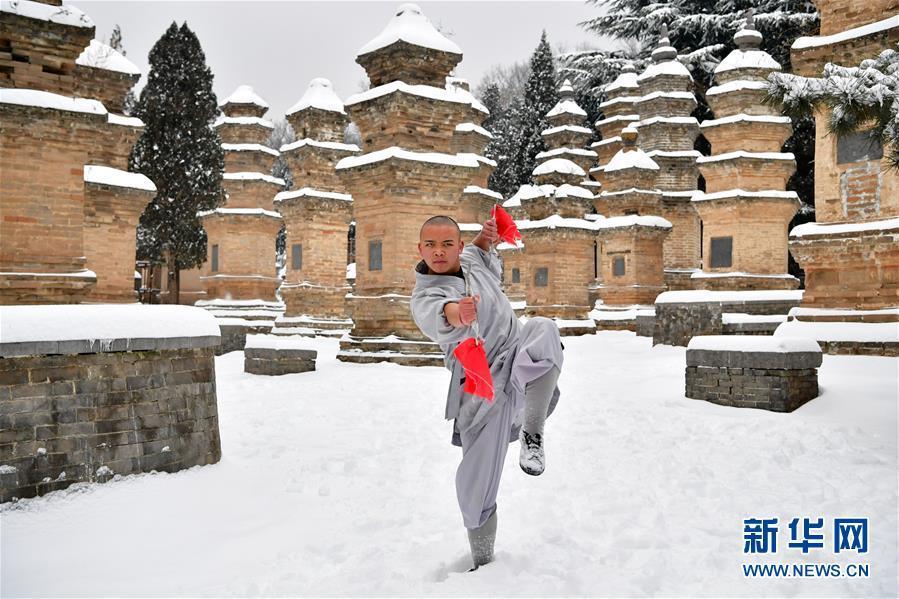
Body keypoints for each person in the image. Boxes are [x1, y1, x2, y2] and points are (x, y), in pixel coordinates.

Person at [410, 214, 564, 571]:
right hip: (480, 389)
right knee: (476, 485)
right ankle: (484, 564)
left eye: (447, 243)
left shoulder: (471, 260)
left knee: (543, 329)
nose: (439, 251)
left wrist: (485, 236)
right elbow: (443, 314)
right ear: (419, 249)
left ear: (458, 247)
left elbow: (479, 252)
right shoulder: (426, 294)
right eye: (430, 245)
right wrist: (459, 314)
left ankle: (533, 432)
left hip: (518, 359)